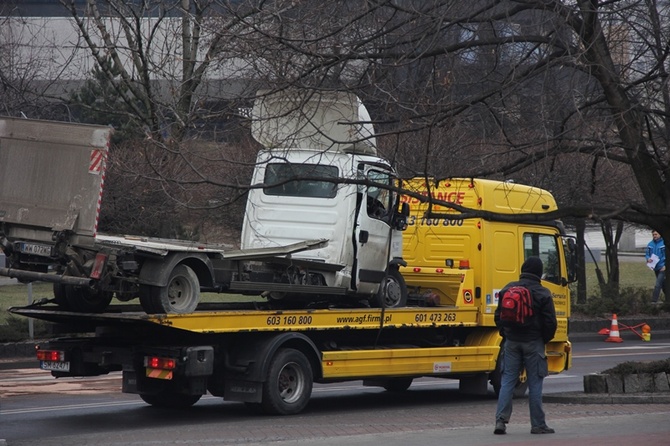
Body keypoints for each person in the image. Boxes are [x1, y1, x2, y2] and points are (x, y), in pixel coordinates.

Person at [493, 256, 557, 435]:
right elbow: (550, 322)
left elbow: (498, 317)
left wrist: (506, 334)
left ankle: (500, 421)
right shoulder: (543, 293)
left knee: (507, 382)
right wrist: (543, 339)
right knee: (535, 384)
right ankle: (538, 425)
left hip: (512, 342)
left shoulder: (508, 288)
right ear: (539, 273)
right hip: (533, 342)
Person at [645, 230, 665, 303]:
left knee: (658, 284)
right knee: (663, 284)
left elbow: (666, 255)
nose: (654, 236)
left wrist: (665, 265)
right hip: (655, 267)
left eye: (656, 234)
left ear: (660, 234)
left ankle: (654, 301)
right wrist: (648, 259)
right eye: (653, 234)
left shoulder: (663, 243)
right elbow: (647, 254)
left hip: (662, 267)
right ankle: (667, 299)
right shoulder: (650, 244)